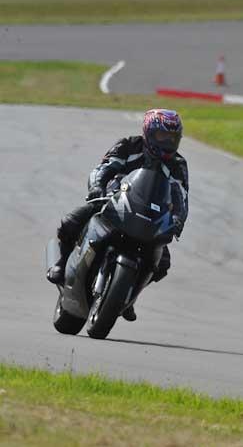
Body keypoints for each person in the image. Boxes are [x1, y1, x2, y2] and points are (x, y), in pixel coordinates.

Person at [46, 109, 189, 322]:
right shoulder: (128, 146)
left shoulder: (177, 164)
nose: (167, 142)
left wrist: (178, 219)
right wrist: (97, 187)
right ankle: (61, 263)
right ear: (148, 133)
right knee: (71, 221)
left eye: (172, 137)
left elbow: (181, 196)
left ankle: (129, 295)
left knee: (163, 262)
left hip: (151, 217)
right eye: (162, 136)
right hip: (115, 202)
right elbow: (103, 169)